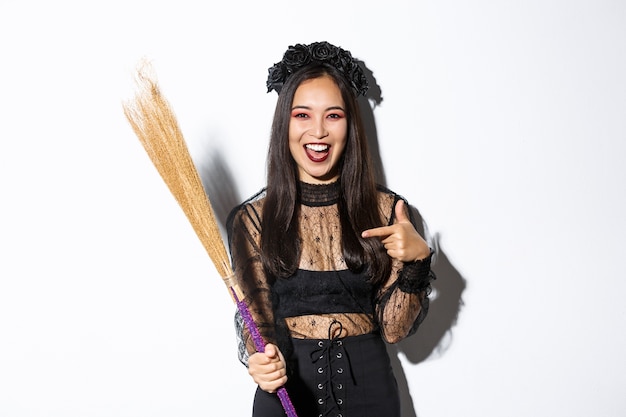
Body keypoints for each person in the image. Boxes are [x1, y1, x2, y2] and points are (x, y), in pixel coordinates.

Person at [226, 41, 435, 417]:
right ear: (284, 124)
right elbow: (255, 324)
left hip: (371, 395)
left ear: (350, 125)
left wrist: (418, 263)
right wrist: (260, 361)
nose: (318, 131)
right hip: (286, 399)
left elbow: (394, 331)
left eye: (333, 115)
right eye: (302, 115)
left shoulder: (390, 212)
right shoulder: (252, 221)